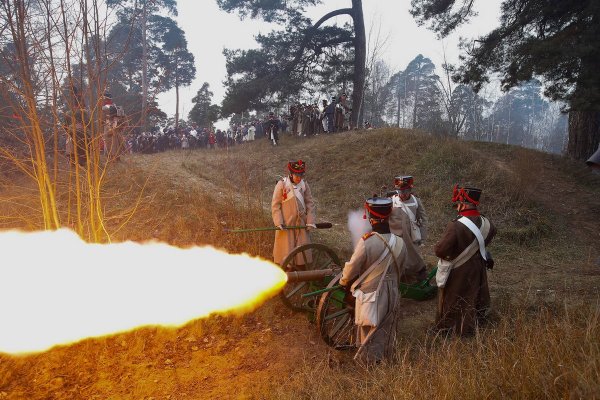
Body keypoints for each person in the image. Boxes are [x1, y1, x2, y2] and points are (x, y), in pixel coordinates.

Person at [339, 197, 407, 364]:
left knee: (369, 326)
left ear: (371, 217)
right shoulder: (400, 242)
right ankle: (386, 357)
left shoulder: (367, 242)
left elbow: (353, 267)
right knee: (387, 324)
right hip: (392, 290)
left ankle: (369, 362)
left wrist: (343, 281)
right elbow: (402, 268)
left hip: (371, 291)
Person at [433, 185, 497, 337]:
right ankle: (473, 324)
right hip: (477, 267)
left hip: (459, 269)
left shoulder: (456, 225)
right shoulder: (488, 224)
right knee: (474, 296)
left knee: (454, 299)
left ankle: (450, 330)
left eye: (458, 204)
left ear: (463, 203)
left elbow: (440, 250)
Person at [271, 160, 316, 267]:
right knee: (286, 254)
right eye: (296, 175)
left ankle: (301, 273)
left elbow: (310, 204)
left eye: (301, 175)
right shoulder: (282, 184)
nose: (299, 178)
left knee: (302, 254)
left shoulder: (304, 185)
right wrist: (279, 222)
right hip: (286, 225)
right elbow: (275, 205)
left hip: (301, 224)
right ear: (291, 174)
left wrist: (310, 221)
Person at [388, 176, 428, 282]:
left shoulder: (416, 201)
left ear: (410, 189)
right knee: (396, 256)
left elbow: (423, 219)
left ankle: (420, 271)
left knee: (414, 255)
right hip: (394, 234)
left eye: (405, 190)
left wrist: (422, 237)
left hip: (410, 234)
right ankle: (399, 276)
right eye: (400, 191)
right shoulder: (391, 201)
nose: (402, 193)